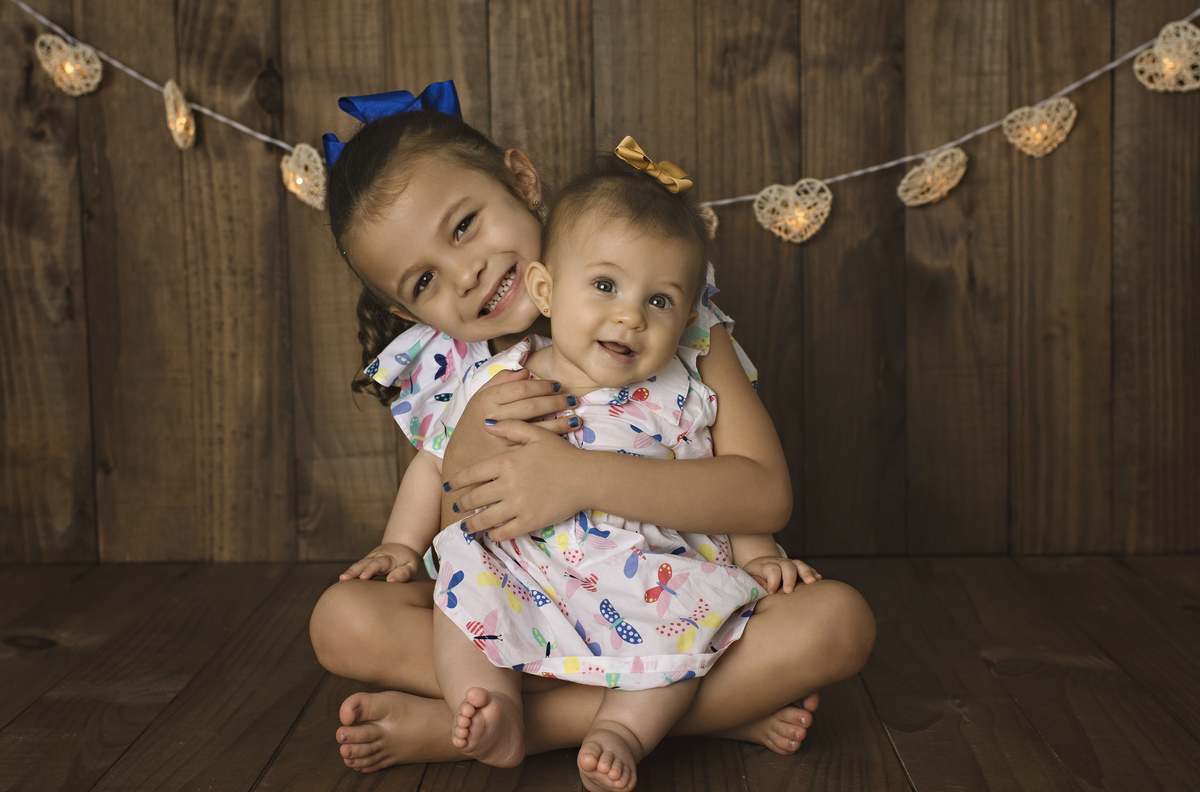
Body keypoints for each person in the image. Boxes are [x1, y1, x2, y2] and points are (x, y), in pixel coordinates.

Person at [308, 82, 876, 774]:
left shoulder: (670, 312)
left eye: (463, 226)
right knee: (340, 621)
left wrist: (579, 479)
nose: (466, 275)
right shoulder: (457, 370)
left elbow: (764, 498)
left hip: (669, 597)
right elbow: (456, 517)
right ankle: (700, 710)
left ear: (520, 179)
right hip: (526, 601)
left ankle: (499, 725)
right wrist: (436, 490)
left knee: (839, 625)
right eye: (423, 283)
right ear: (404, 313)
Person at [377, 145, 818, 791]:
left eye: (660, 302)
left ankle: (608, 731)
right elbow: (435, 475)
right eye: (606, 286)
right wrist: (399, 543)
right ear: (546, 288)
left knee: (811, 622)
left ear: (688, 316)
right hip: (527, 579)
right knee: (420, 605)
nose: (629, 316)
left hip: (650, 587)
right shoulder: (500, 379)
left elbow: (733, 484)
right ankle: (492, 703)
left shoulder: (686, 381)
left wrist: (759, 558)